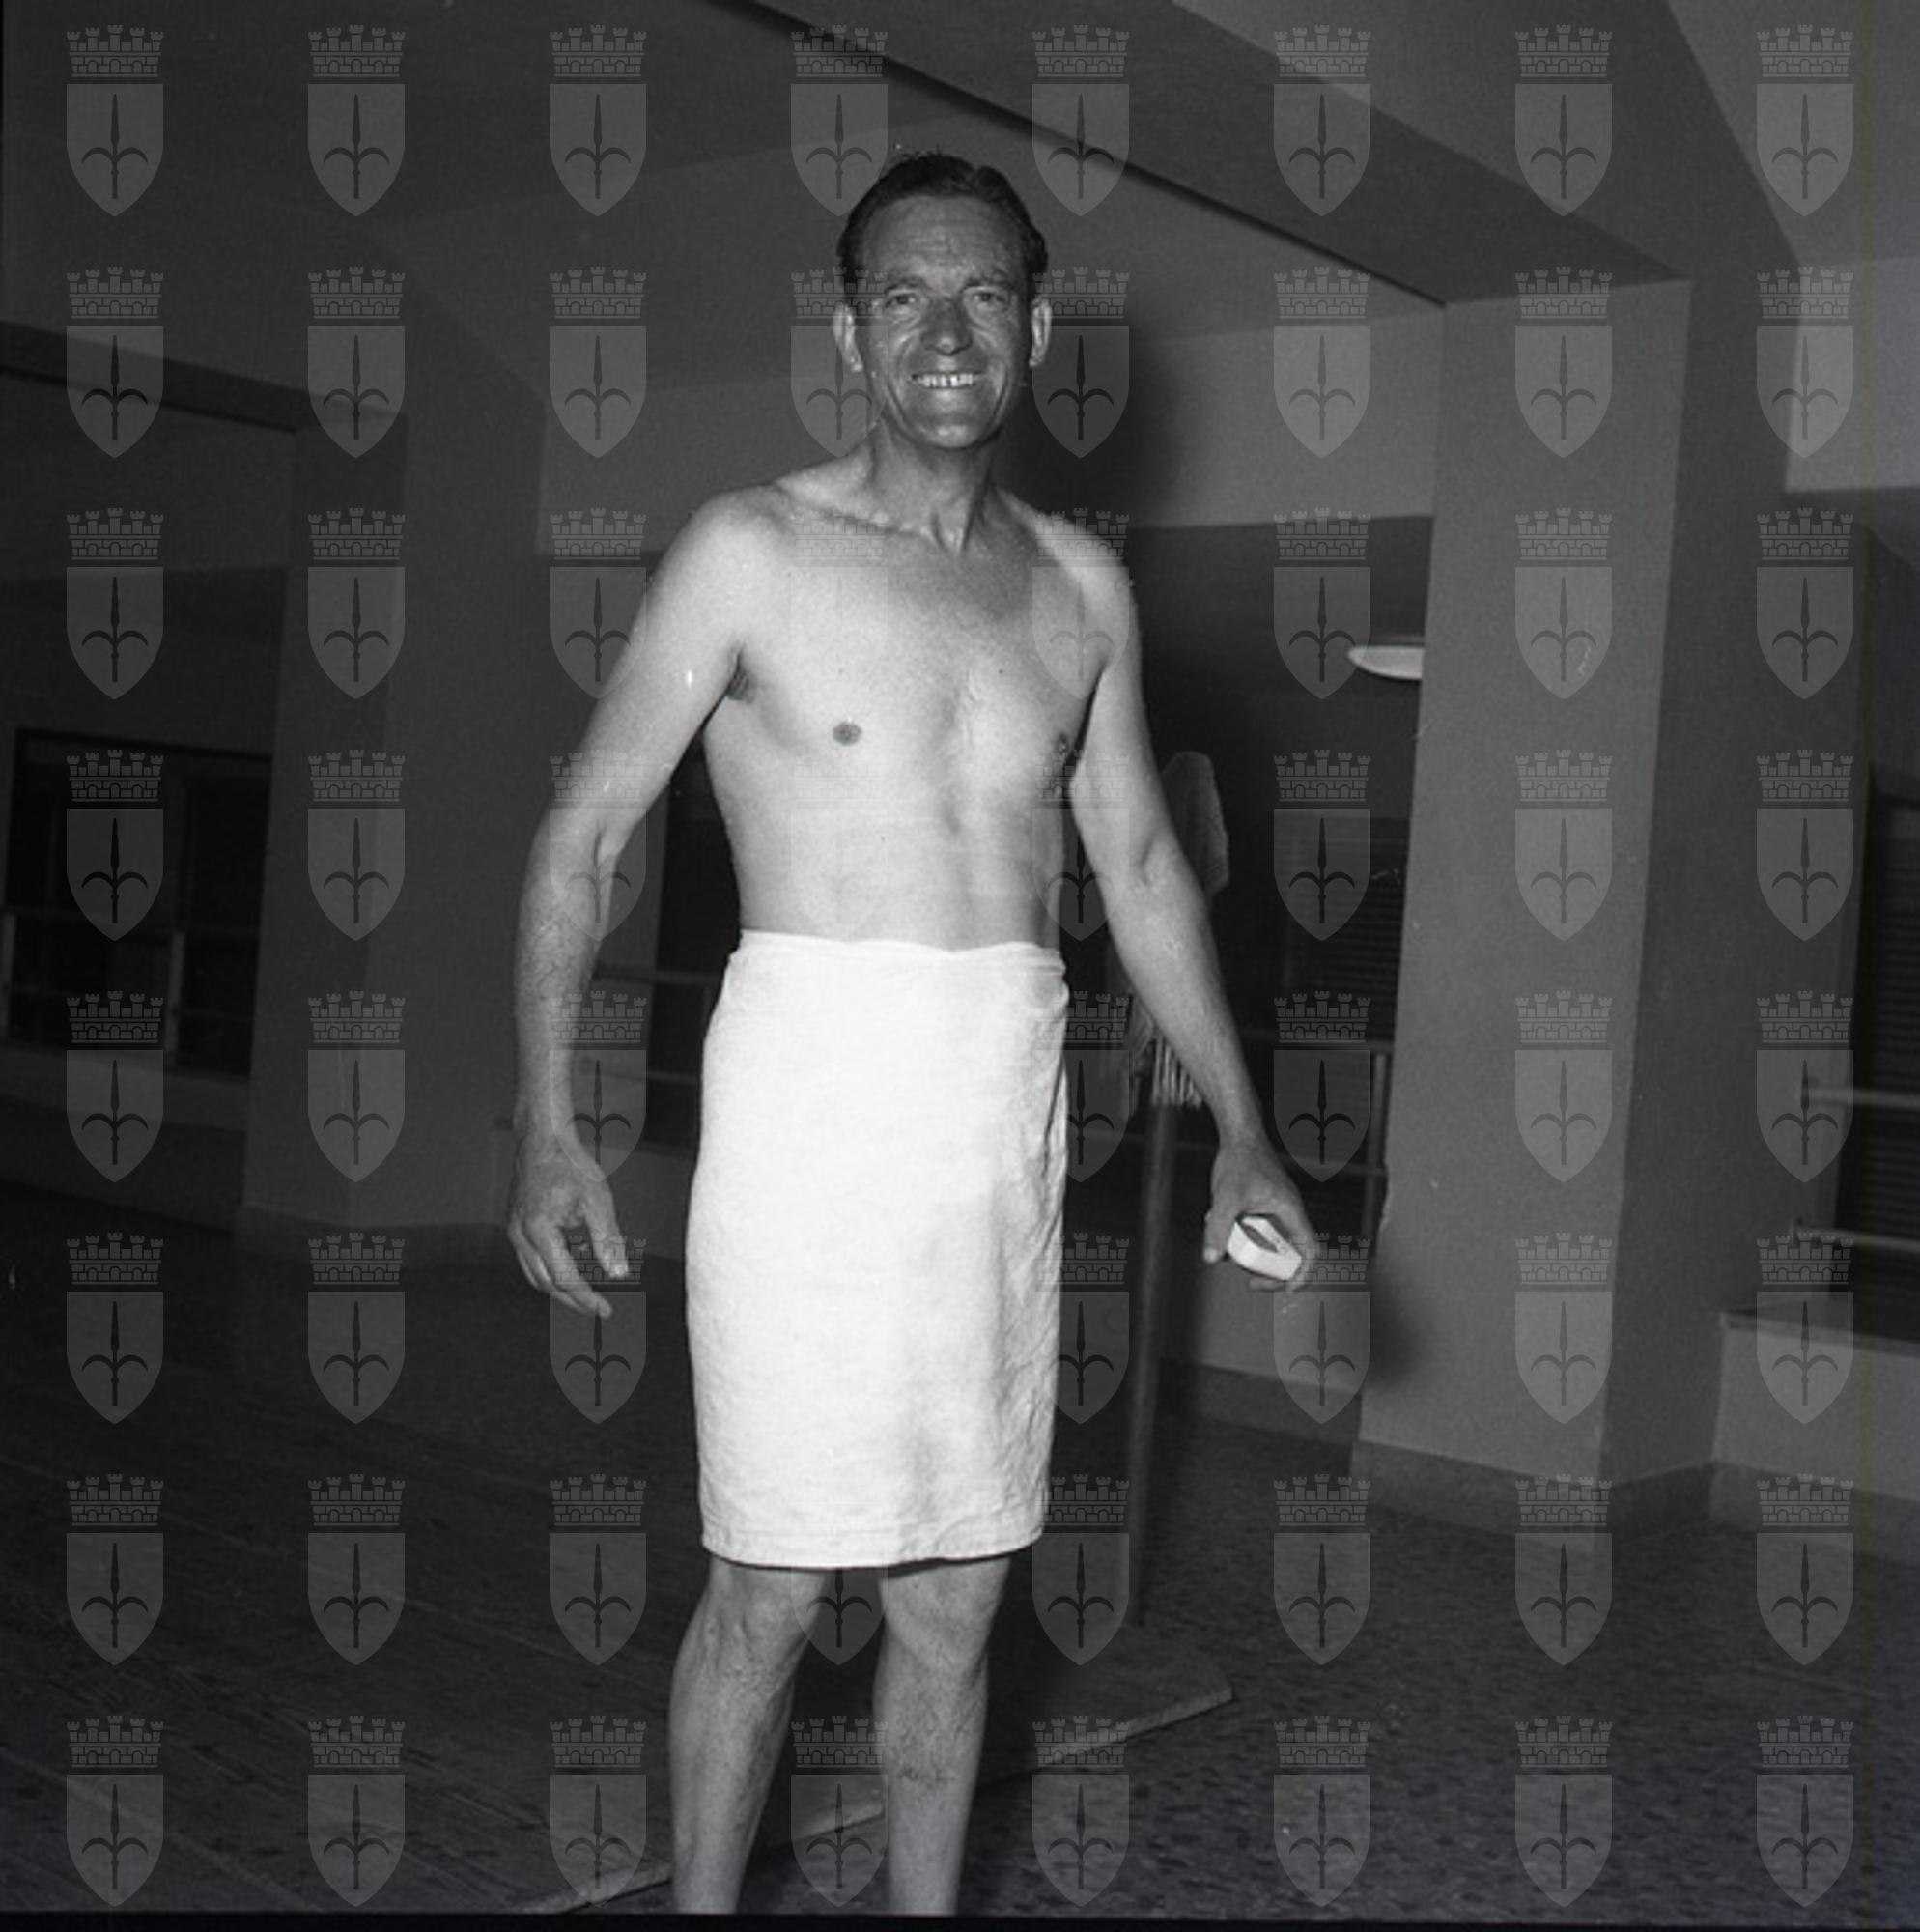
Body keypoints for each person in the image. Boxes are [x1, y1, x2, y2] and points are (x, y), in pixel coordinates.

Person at [507, 152, 1318, 1916]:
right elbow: (585, 834)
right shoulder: (752, 549)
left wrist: (1246, 1129)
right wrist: (547, 1124)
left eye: (981, 295)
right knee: (771, 1588)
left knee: (960, 1599)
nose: (945, 332)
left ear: (1036, 327)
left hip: (994, 1123)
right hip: (805, 1107)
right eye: (902, 296)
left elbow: (1142, 867)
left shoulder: (1081, 589)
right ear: (848, 335)